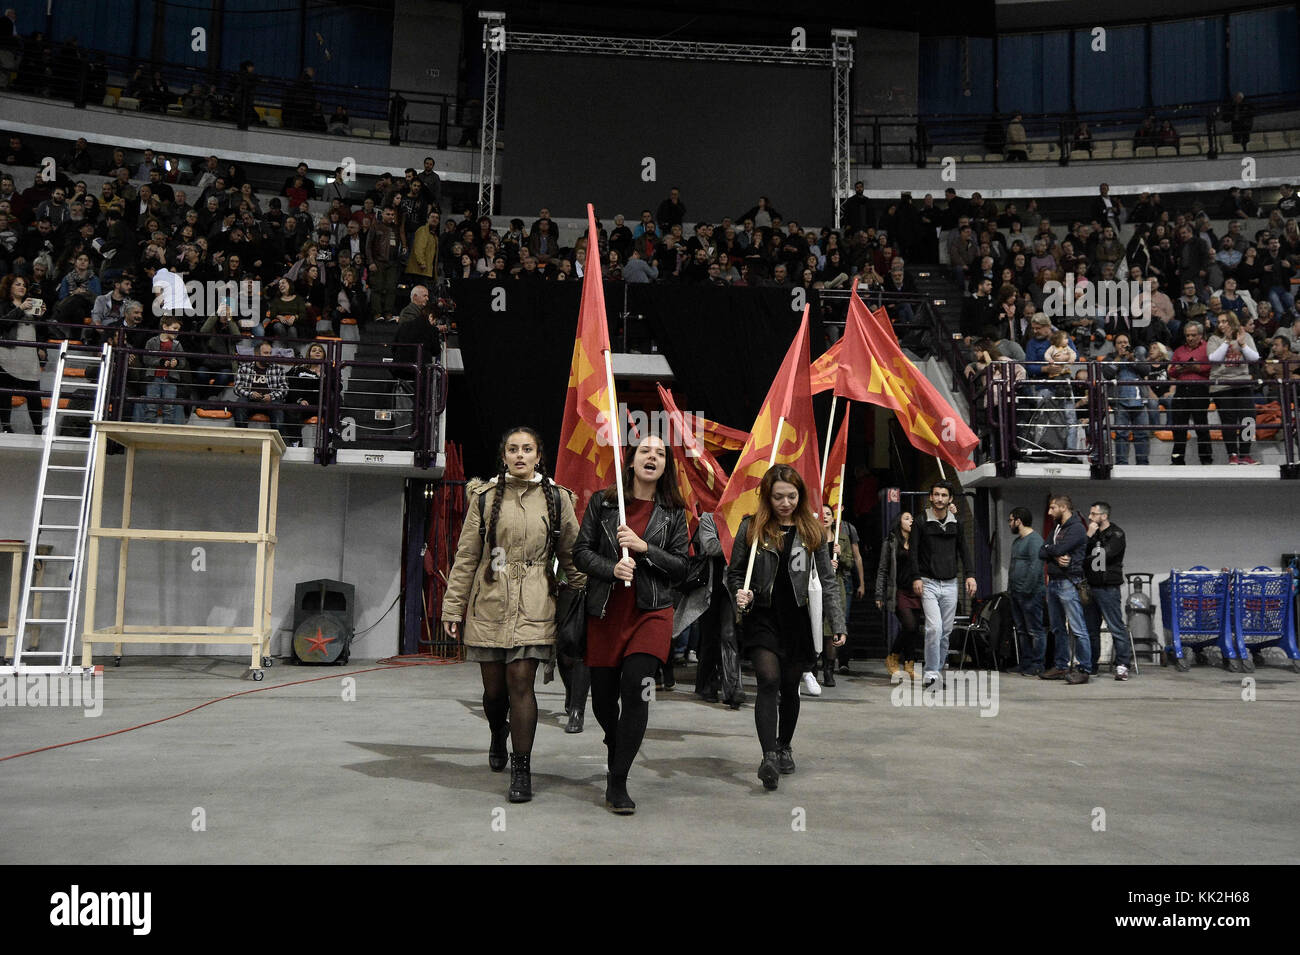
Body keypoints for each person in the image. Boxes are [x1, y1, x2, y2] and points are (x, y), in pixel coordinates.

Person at [441, 427, 584, 804]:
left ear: (540, 456)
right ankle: (495, 731)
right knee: (494, 692)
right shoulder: (485, 499)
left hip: (538, 600)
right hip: (490, 599)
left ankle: (522, 769)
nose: (520, 455)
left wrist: (590, 595)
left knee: (522, 682)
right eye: (513, 449)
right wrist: (452, 606)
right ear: (503, 456)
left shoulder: (557, 498)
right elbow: (468, 556)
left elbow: (572, 555)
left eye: (528, 449)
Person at [573, 434, 688, 814]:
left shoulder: (673, 511)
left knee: (637, 690)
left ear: (665, 466)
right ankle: (616, 739)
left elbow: (682, 568)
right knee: (604, 702)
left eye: (660, 453)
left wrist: (643, 549)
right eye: (645, 451)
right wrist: (611, 567)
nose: (652, 457)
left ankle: (617, 782)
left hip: (652, 612)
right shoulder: (604, 503)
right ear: (632, 460)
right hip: (606, 613)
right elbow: (581, 554)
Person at [730, 465, 846, 792]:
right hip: (762, 615)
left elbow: (828, 580)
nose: (785, 502)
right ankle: (768, 756)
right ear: (768, 496)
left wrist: (837, 621)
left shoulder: (812, 531)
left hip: (796, 617)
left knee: (790, 687)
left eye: (791, 496)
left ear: (800, 495)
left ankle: (784, 745)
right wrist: (740, 594)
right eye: (778, 496)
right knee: (768, 679)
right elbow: (734, 573)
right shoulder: (752, 528)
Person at [911, 481, 977, 689]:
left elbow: (964, 551)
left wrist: (970, 575)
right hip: (928, 582)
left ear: (950, 499)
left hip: (950, 584)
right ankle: (930, 673)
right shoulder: (921, 522)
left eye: (944, 495)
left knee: (945, 631)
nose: (939, 498)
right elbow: (912, 551)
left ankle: (938, 672)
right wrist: (916, 577)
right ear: (930, 497)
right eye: (936, 494)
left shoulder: (955, 523)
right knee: (934, 628)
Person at [678, 511, 744, 709]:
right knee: (709, 638)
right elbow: (710, 547)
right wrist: (739, 544)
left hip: (731, 589)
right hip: (709, 589)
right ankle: (707, 685)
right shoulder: (708, 518)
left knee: (728, 634)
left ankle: (732, 689)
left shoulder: (744, 517)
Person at [1038, 495, 1091, 684]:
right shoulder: (1057, 527)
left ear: (1063, 508)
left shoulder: (1076, 528)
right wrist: (1054, 554)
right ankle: (1061, 666)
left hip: (1069, 582)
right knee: (1057, 628)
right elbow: (1041, 551)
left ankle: (1084, 668)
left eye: (1053, 508)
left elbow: (1057, 549)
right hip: (1053, 582)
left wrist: (1052, 550)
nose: (1049, 512)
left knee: (1077, 628)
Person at [1082, 502, 1134, 681]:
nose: (1090, 517)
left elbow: (1104, 555)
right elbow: (1079, 553)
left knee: (1116, 627)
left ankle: (1122, 665)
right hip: (1090, 587)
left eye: (1093, 513)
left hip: (1108, 588)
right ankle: (1091, 665)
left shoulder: (1117, 534)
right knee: (1091, 629)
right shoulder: (1091, 533)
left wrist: (1087, 554)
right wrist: (1088, 536)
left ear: (1104, 516)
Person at [875, 511, 920, 679]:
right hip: (899, 591)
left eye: (912, 518)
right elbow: (883, 569)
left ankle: (909, 665)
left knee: (913, 630)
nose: (911, 521)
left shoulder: (918, 541)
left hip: (917, 591)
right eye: (907, 518)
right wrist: (879, 594)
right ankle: (892, 657)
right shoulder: (891, 542)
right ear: (899, 522)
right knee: (910, 626)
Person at [0, 274, 45, 434]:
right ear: (9, 287)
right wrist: (20, 309)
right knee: (4, 393)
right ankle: (6, 427)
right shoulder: (3, 305)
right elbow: (3, 323)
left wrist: (40, 318)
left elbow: (40, 330)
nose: (22, 287)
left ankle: (38, 431)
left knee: (34, 396)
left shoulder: (31, 305)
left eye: (24, 285)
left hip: (29, 357)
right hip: (7, 356)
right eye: (17, 284)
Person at [1007, 507, 1047, 676]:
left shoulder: (1035, 540)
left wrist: (1026, 589)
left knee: (1035, 630)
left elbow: (1036, 567)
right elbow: (1013, 566)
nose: (1010, 524)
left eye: (1011, 520)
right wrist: (1011, 589)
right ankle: (1025, 663)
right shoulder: (1017, 542)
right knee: (1022, 630)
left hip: (1031, 594)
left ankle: (1038, 664)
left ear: (1019, 521)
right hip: (1016, 593)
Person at [1169, 321, 1214, 465]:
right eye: (1187, 335)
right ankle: (1177, 459)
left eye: (1193, 335)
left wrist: (1197, 367)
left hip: (1200, 389)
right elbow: (1171, 370)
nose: (1190, 338)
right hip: (1182, 388)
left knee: (1201, 426)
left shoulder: (1208, 348)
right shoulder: (1179, 351)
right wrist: (1181, 369)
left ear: (1200, 335)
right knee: (1179, 427)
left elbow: (1213, 366)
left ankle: (1206, 460)